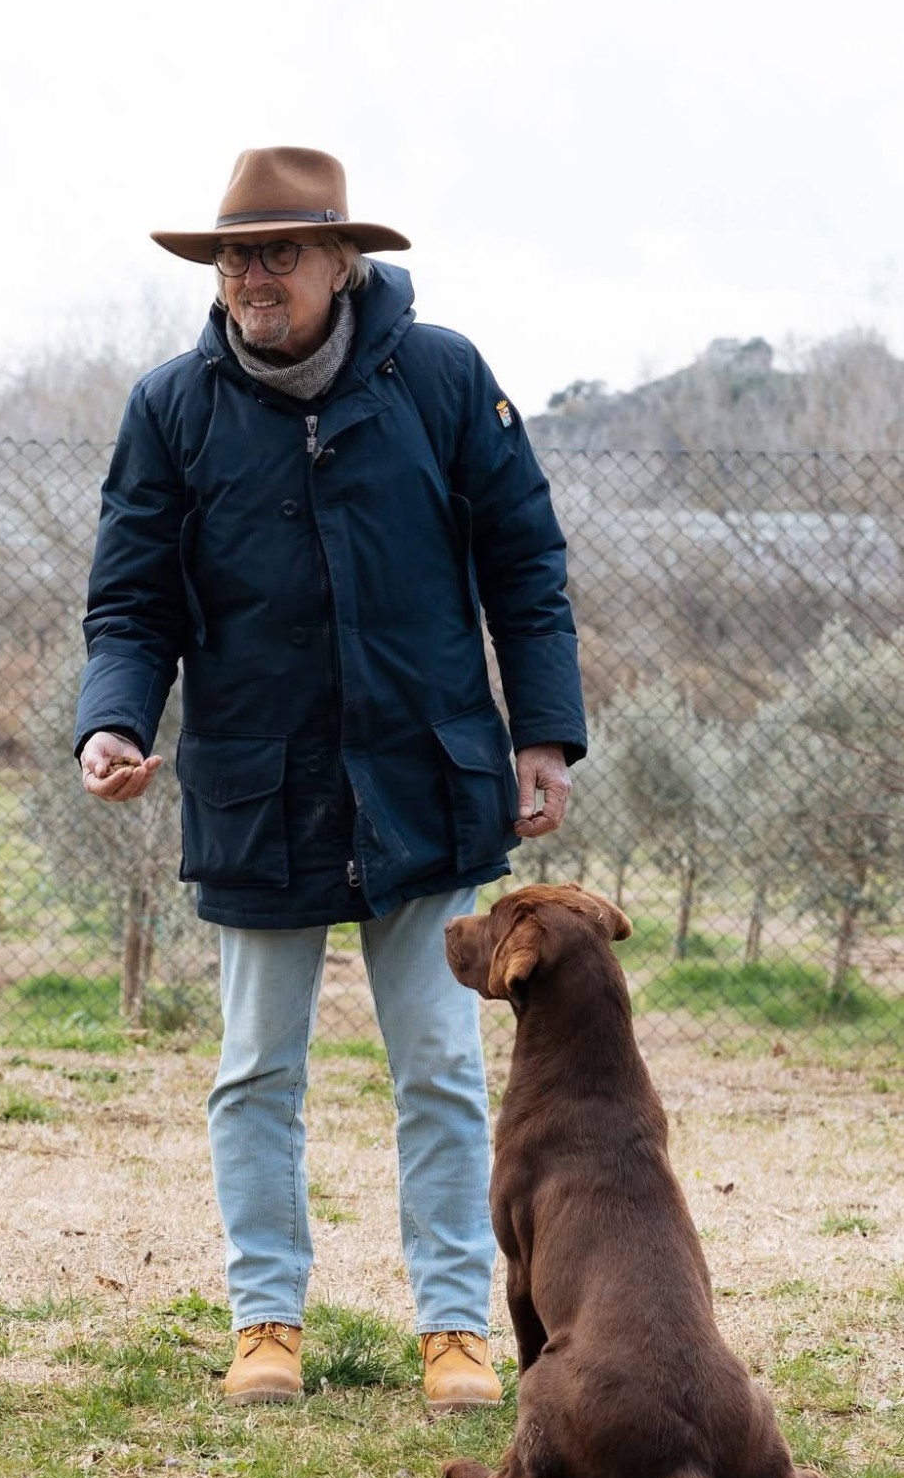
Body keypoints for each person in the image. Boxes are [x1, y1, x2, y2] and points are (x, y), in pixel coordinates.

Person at [73, 146, 585, 1409]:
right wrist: (113, 720)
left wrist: (543, 732)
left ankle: (455, 1327)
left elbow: (526, 566)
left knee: (442, 1068)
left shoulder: (443, 378)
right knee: (256, 1070)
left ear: (343, 262)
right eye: (234, 256)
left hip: (425, 779)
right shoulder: (171, 408)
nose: (253, 276)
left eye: (280, 253)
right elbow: (131, 600)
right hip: (260, 791)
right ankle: (266, 1321)